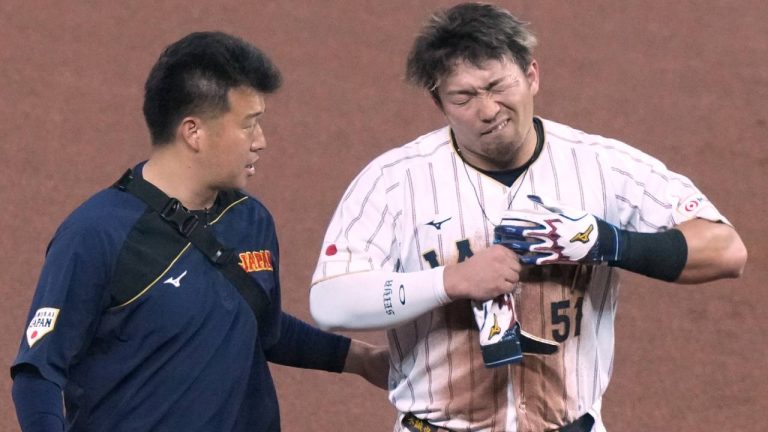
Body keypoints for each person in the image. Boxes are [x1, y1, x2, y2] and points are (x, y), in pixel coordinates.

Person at [309, 3, 747, 431]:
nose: (488, 109)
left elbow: (727, 251)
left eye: (499, 86)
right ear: (438, 101)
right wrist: (449, 282)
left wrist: (608, 243)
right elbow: (330, 302)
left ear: (531, 76)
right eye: (464, 96)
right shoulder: (393, 181)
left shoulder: (602, 167)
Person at [10, 31, 387, 432]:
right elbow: (39, 374)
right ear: (194, 132)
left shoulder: (250, 219)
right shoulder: (97, 234)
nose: (261, 142)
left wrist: (360, 360)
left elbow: (263, 328)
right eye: (249, 125)